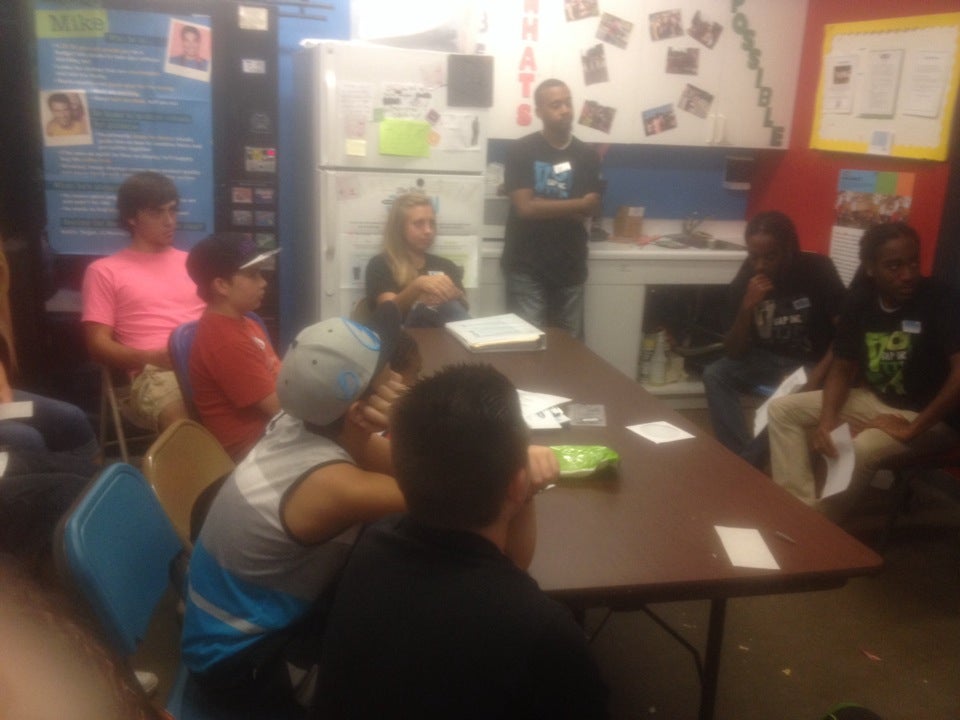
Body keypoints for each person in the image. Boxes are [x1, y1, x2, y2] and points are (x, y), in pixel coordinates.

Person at [312, 364, 606, 719]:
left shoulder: (375, 543)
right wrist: (523, 483)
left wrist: (520, 486)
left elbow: (503, 568)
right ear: (517, 484)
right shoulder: (543, 631)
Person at [180, 305, 409, 713]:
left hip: (221, 627)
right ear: (358, 412)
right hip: (240, 664)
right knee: (413, 664)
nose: (399, 379)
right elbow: (453, 494)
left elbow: (403, 466)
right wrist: (409, 422)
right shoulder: (331, 485)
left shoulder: (299, 421)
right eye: (388, 375)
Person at [768, 222, 960, 521]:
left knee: (861, 448)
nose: (908, 274)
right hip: (876, 401)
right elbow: (842, 367)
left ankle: (815, 525)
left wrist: (913, 429)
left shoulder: (939, 298)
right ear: (870, 268)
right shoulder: (859, 301)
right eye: (894, 266)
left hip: (931, 418)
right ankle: (799, 512)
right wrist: (828, 419)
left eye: (913, 263)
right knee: (782, 410)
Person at [702, 211, 845, 468]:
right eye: (753, 256)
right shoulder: (747, 278)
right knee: (715, 373)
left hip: (811, 364)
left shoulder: (817, 269)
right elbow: (733, 351)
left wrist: (817, 376)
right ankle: (742, 459)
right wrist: (747, 308)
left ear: (789, 250)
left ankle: (742, 466)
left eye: (770, 257)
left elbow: (846, 334)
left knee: (788, 396)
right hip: (764, 360)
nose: (759, 265)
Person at [81, 171, 204, 431]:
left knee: (272, 397)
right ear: (131, 217)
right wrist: (150, 357)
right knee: (183, 422)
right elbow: (97, 345)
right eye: (157, 213)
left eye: (173, 211)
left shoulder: (194, 262)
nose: (169, 221)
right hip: (156, 371)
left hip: (209, 359)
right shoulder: (105, 271)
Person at [501, 78, 602, 339]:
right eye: (555, 105)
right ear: (539, 111)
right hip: (526, 265)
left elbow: (589, 209)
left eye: (568, 102)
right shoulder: (521, 150)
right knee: (528, 343)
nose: (565, 110)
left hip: (570, 265)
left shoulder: (587, 155)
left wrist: (542, 204)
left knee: (570, 347)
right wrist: (576, 204)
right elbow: (525, 208)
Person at [186, 233, 281, 460]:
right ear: (221, 285)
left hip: (273, 435)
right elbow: (279, 408)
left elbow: (280, 374)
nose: (263, 282)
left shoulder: (247, 322)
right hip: (255, 452)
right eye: (253, 275)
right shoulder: (225, 341)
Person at [364, 192, 469, 327]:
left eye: (432, 223)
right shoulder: (381, 264)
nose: (428, 230)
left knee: (450, 306)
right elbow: (387, 313)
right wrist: (417, 286)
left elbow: (464, 307)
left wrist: (453, 295)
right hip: (401, 336)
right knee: (427, 309)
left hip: (445, 336)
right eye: (419, 223)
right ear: (399, 228)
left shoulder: (446, 265)